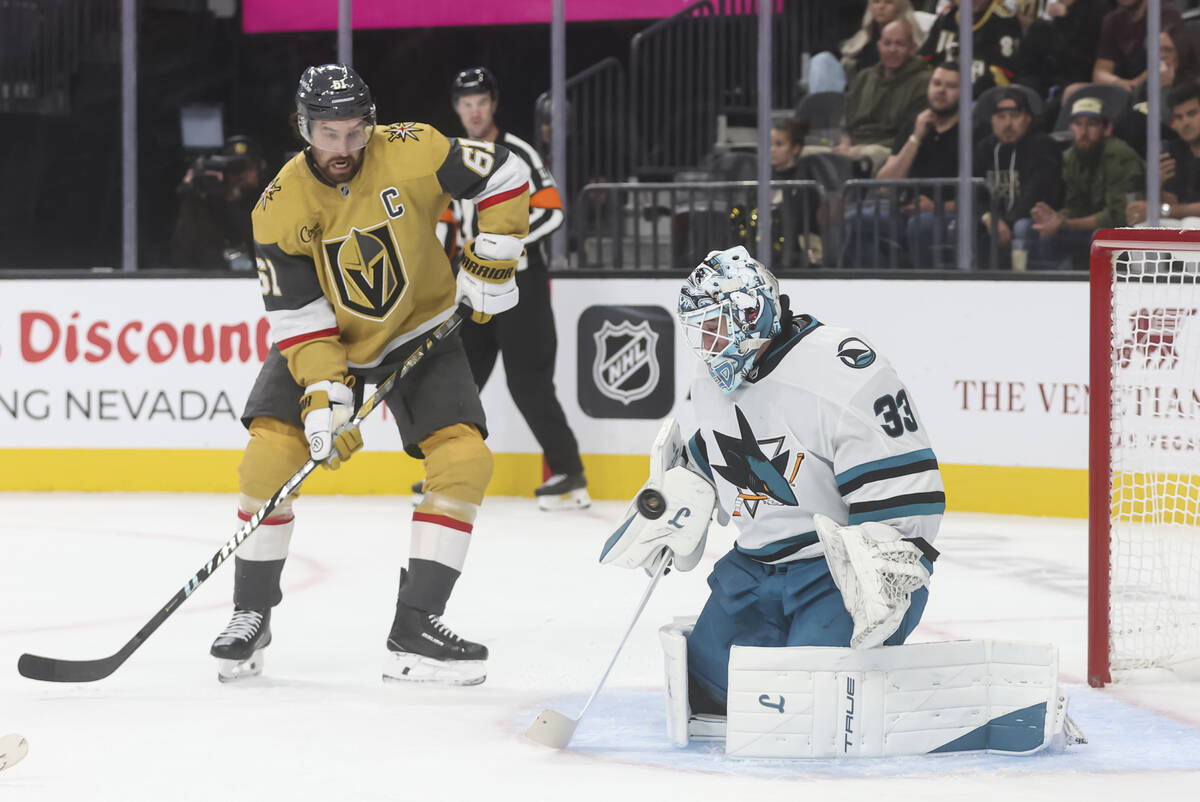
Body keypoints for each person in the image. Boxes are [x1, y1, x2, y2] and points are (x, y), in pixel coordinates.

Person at [207, 64, 532, 686]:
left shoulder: (416, 148)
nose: (344, 149)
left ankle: (416, 626)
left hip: (422, 328)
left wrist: (492, 260)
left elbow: (507, 176)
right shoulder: (278, 208)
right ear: (305, 129)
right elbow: (301, 320)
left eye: (356, 133)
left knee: (464, 462)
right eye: (329, 134)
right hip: (329, 340)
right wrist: (326, 400)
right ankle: (251, 613)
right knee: (269, 460)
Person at [599, 245, 943, 718]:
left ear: (752, 313)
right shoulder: (711, 378)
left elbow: (905, 483)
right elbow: (725, 444)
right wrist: (681, 489)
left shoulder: (842, 369)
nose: (706, 343)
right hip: (755, 570)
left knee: (810, 700)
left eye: (715, 326)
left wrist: (887, 564)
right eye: (698, 329)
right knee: (708, 691)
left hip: (835, 574)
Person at [426, 67, 589, 511]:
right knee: (460, 381)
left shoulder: (517, 152)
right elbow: (447, 226)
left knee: (528, 382)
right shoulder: (451, 157)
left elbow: (553, 212)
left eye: (481, 101)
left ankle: (569, 473)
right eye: (466, 103)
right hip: (471, 286)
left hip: (521, 285)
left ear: (493, 105)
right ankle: (447, 471)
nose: (474, 111)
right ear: (457, 109)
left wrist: (497, 245)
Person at [844, 63, 962, 268]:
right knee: (855, 219)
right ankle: (873, 286)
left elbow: (977, 198)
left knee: (921, 225)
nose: (941, 91)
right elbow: (883, 185)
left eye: (951, 86)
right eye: (936, 83)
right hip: (904, 212)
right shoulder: (913, 125)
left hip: (948, 216)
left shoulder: (972, 131)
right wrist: (915, 138)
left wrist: (936, 207)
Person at [1030, 96, 1143, 269]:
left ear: (1107, 129)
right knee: (1038, 232)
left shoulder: (1120, 155)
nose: (1083, 131)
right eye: (1078, 123)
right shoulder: (1070, 156)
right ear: (1070, 127)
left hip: (1123, 230)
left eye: (1091, 124)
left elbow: (1118, 215)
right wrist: (1055, 218)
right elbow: (1076, 206)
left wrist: (1065, 223)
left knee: (1100, 238)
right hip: (1086, 228)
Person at [974, 87, 1063, 270]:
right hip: (996, 223)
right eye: (1001, 117)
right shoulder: (984, 149)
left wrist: (1006, 223)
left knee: (1022, 227)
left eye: (1015, 116)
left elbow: (1036, 195)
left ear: (1028, 119)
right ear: (991, 121)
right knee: (966, 226)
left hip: (1033, 221)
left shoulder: (1043, 146)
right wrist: (989, 217)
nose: (1007, 124)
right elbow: (972, 193)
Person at [834, 19, 932, 174]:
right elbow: (846, 122)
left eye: (899, 44)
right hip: (852, 148)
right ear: (879, 46)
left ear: (913, 48)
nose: (892, 49)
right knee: (806, 153)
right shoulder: (863, 77)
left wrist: (858, 150)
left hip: (890, 151)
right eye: (887, 43)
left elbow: (909, 133)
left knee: (869, 155)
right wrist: (846, 144)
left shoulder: (924, 82)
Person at [168, 135, 265, 271]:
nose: (239, 174)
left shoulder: (266, 205)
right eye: (233, 167)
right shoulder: (204, 206)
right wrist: (190, 195)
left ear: (259, 169)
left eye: (246, 167)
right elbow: (181, 254)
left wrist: (231, 203)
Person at [807, 0, 928, 93]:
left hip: (897, 90)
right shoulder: (864, 35)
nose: (881, 7)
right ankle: (825, 113)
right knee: (822, 60)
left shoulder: (912, 38)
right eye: (876, 1)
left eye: (888, 2)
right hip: (857, 93)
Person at [1127, 83, 1200, 224]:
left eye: (1191, 114)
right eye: (1179, 117)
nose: (1185, 122)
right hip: (1182, 226)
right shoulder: (1174, 150)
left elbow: (1168, 210)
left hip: (1191, 224)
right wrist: (1158, 184)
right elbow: (1170, 202)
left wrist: (1160, 211)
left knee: (1190, 222)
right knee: (1142, 226)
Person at [919, 0, 1023, 98]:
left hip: (979, 101)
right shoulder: (946, 19)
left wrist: (958, 96)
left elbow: (1001, 75)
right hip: (938, 97)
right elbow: (923, 61)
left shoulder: (1005, 23)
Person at [1093, 0, 1184, 93]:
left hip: (1159, 92)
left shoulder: (1167, 15)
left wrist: (1134, 85)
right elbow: (1100, 72)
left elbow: (1166, 65)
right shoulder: (1113, 19)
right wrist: (1121, 83)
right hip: (1125, 92)